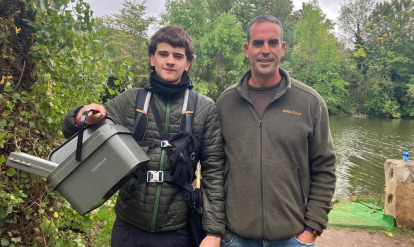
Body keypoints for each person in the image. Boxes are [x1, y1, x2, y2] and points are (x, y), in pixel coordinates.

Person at [62, 25, 225, 247]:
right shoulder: (130, 100)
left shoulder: (205, 108)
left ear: (187, 64)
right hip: (129, 226)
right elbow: (73, 131)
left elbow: (214, 171)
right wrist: (81, 115)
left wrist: (213, 232)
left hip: (177, 230)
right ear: (152, 59)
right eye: (163, 54)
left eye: (178, 56)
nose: (170, 61)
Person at [217, 15, 336, 246]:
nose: (265, 50)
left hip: (292, 238)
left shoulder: (310, 102)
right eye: (258, 43)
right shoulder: (226, 102)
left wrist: (312, 228)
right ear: (246, 49)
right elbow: (215, 167)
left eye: (273, 43)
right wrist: (218, 228)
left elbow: (325, 168)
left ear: (282, 49)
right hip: (235, 238)